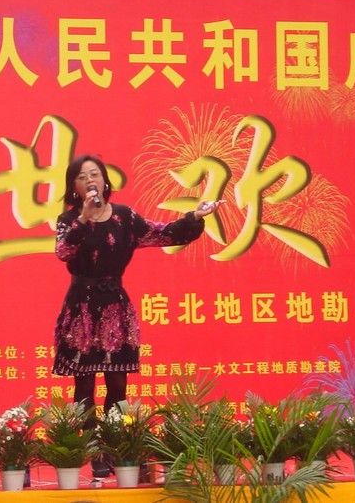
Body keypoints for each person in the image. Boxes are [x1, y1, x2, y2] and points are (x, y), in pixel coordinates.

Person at [52, 154, 222, 476]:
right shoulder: (69, 219)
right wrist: (84, 218)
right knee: (84, 383)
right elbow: (64, 251)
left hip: (115, 306)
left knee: (117, 382)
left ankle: (115, 447)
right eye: (82, 177)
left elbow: (162, 233)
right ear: (74, 187)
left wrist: (195, 216)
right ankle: (93, 452)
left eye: (95, 174)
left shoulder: (124, 217)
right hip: (82, 308)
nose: (90, 181)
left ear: (104, 180)